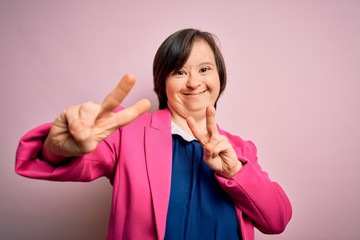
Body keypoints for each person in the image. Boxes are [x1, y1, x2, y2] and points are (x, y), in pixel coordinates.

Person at [15, 28, 292, 240]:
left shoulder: (240, 149)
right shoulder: (127, 133)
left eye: (204, 69)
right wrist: (59, 145)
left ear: (219, 76)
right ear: (163, 82)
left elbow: (276, 220)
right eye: (179, 71)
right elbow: (59, 158)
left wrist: (234, 171)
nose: (194, 82)